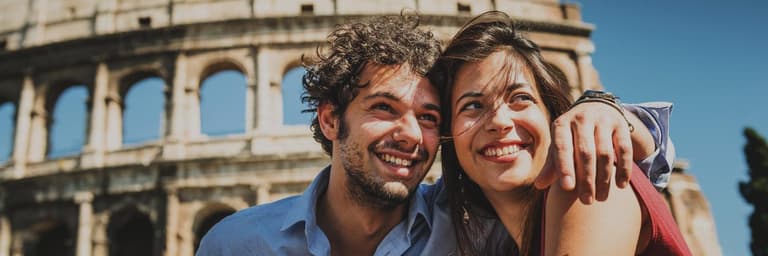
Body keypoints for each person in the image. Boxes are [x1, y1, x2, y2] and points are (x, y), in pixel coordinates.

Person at [197, 13, 676, 255]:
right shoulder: (234, 244)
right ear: (329, 120)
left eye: (429, 117)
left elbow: (631, 161)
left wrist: (602, 107)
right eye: (384, 108)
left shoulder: (582, 180)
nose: (409, 134)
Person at [430, 11, 691, 255]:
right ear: (448, 134)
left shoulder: (587, 173)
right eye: (473, 106)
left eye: (520, 98)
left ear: (552, 115)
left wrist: (602, 104)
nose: (499, 121)